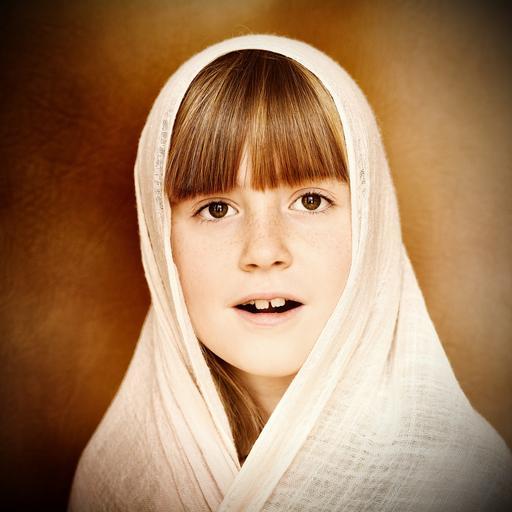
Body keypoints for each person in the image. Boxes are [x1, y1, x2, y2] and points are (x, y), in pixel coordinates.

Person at [68, 34, 511, 511]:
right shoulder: (119, 481)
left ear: (372, 225)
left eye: (311, 201)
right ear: (160, 240)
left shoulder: (463, 483)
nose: (263, 251)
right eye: (217, 209)